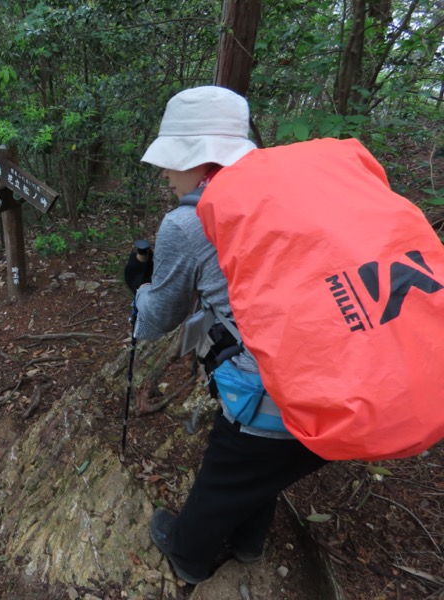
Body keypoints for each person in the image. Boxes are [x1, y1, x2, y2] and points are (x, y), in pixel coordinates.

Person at [126, 86, 327, 584]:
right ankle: (250, 543)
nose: (164, 173)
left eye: (171, 160)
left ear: (199, 162)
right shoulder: (292, 190)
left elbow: (155, 319)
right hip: (337, 378)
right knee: (266, 469)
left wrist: (139, 287)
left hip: (272, 389)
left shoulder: (190, 221)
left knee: (223, 478)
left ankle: (188, 555)